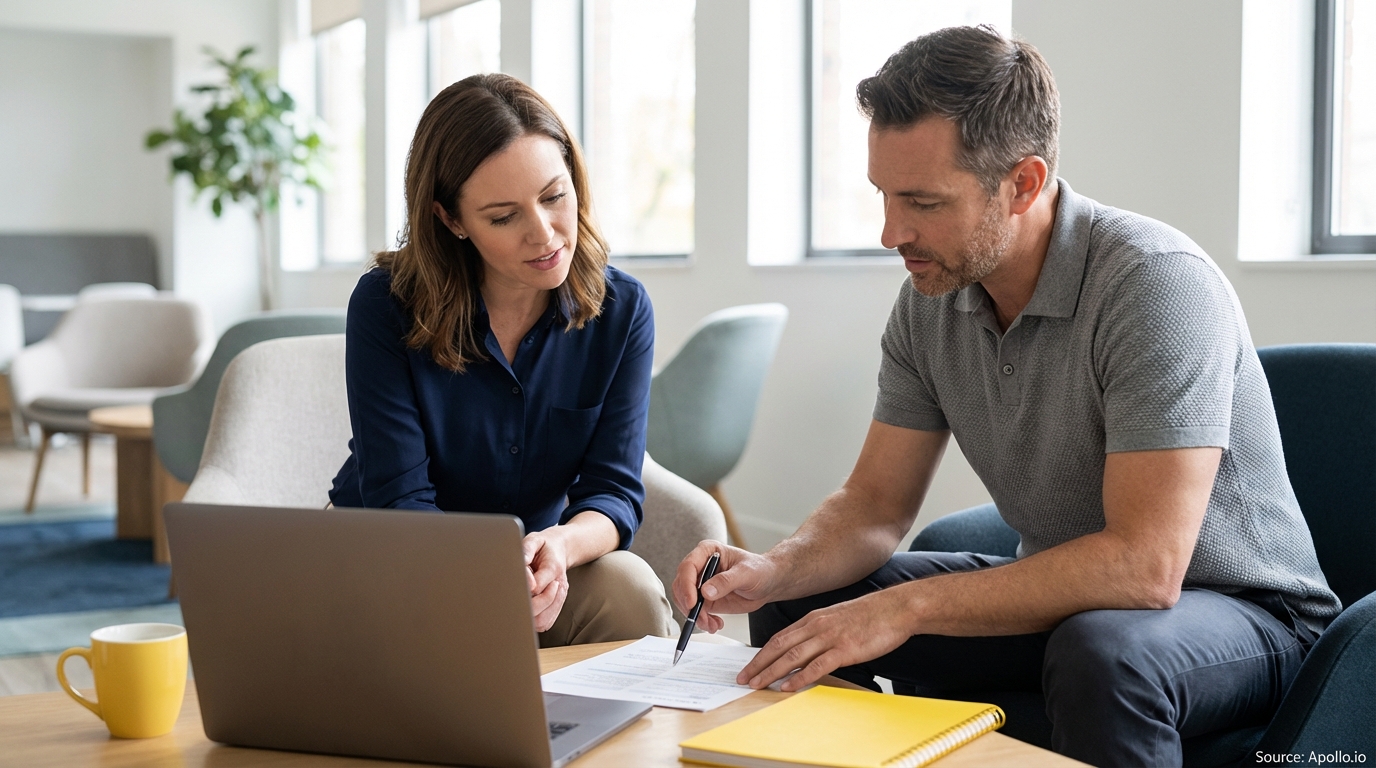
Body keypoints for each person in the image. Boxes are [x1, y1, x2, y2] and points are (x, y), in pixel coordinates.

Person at [672, 25, 1339, 766]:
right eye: (884, 196)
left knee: (1106, 651)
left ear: (1023, 183)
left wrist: (905, 606)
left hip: (1245, 618)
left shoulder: (1155, 284)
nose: (893, 231)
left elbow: (1145, 568)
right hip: (1073, 605)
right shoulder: (931, 297)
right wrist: (776, 568)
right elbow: (874, 506)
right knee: (805, 612)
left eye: (922, 201)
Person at [330, 73, 673, 647]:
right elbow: (400, 500)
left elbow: (612, 492)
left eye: (553, 196)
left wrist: (557, 547)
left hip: (534, 560)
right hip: (400, 553)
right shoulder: (384, 305)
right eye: (503, 216)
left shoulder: (622, 309)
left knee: (629, 591)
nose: (544, 235)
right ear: (451, 220)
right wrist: (490, 574)